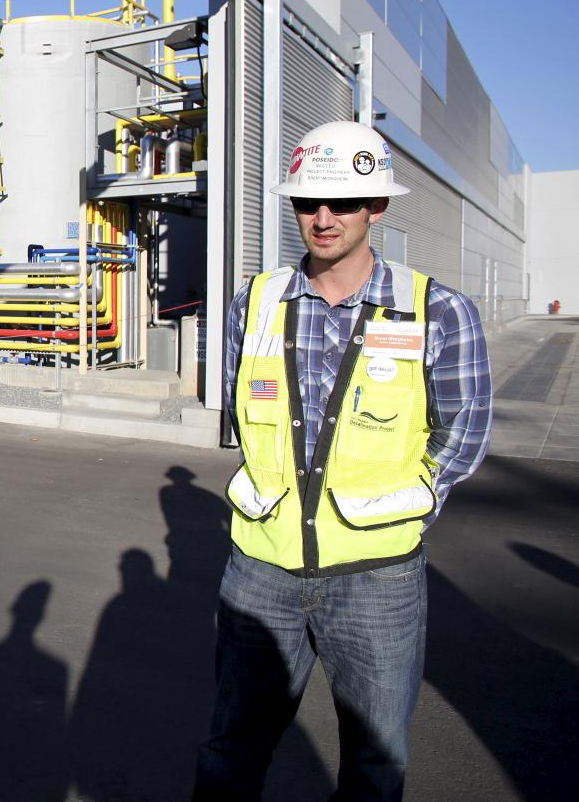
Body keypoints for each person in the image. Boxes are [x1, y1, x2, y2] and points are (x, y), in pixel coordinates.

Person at [194, 121, 491, 800]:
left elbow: (463, 433)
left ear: (377, 207)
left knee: (375, 764)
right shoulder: (257, 302)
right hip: (261, 571)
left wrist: (396, 509)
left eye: (343, 202)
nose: (322, 218)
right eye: (307, 202)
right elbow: (244, 419)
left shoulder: (437, 311)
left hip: (377, 579)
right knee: (230, 750)